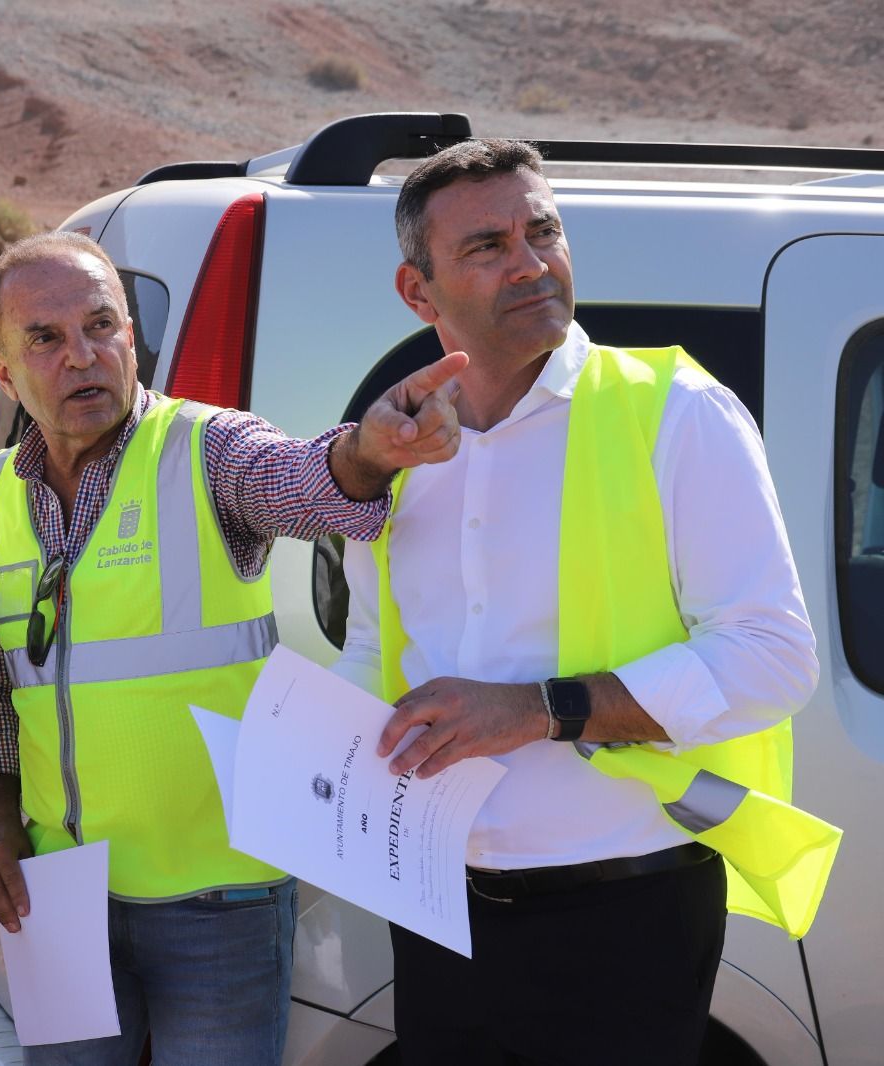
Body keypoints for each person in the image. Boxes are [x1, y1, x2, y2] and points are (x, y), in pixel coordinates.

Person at [334, 138, 832, 1065]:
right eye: (486, 246)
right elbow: (375, 651)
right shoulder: (401, 452)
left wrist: (538, 711)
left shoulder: (677, 410)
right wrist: (306, 768)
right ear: (419, 292)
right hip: (438, 907)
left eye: (544, 230)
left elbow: (773, 656)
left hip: (627, 916)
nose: (530, 262)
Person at [0, 230, 466, 1064]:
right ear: (5, 370)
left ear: (132, 336)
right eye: (45, 339)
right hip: (59, 896)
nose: (83, 356)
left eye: (102, 327)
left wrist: (367, 454)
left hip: (217, 902)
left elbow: (304, 481)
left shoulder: (206, 450)